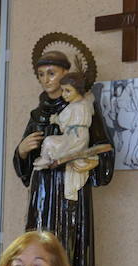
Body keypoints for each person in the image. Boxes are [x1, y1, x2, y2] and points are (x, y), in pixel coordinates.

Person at [14, 49, 114, 266]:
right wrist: (22, 151)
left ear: (65, 75)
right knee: (37, 242)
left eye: (52, 73)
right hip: (43, 190)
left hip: (69, 192)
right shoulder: (37, 114)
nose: (46, 79)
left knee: (68, 245)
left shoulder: (81, 108)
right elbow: (25, 168)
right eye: (41, 75)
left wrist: (89, 161)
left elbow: (104, 151)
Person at [33, 73, 96, 202]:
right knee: (53, 142)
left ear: (78, 90)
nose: (64, 94)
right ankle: (49, 158)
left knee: (49, 141)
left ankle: (45, 159)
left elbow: (62, 122)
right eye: (63, 90)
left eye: (68, 91)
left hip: (74, 138)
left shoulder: (75, 107)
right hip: (79, 137)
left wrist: (54, 119)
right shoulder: (86, 103)